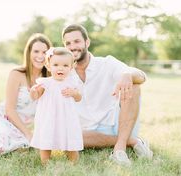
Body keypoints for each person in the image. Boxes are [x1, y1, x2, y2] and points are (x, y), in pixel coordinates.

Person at [62, 24, 153, 166]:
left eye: (77, 41)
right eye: (68, 43)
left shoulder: (106, 63)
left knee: (134, 85)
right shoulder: (64, 73)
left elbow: (141, 76)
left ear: (87, 42)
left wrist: (127, 74)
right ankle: (133, 141)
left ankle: (120, 148)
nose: (72, 46)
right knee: (66, 136)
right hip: (87, 131)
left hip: (118, 124)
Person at [30, 47, 83, 164]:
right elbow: (36, 95)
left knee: (71, 138)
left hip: (67, 118)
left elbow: (79, 98)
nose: (60, 68)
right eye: (56, 65)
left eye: (65, 65)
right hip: (49, 117)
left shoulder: (72, 82)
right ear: (48, 66)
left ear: (72, 67)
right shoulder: (46, 83)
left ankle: (73, 161)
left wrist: (74, 93)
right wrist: (34, 91)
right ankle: (46, 162)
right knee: (46, 139)